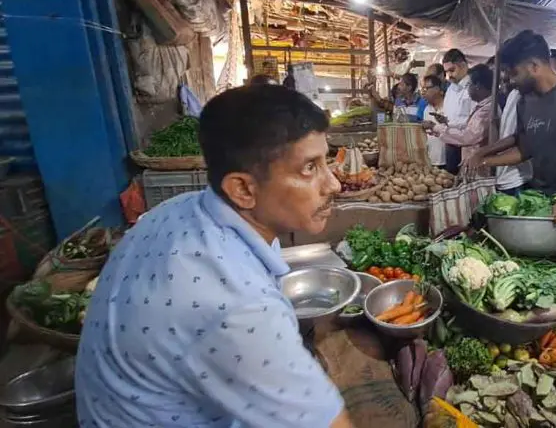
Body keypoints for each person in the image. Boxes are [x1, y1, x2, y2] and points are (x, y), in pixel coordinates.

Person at [75, 85, 354, 427]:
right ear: (243, 189)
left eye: (326, 160)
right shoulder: (236, 305)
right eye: (309, 168)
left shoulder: (176, 211)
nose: (334, 185)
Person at [464, 30, 556, 265]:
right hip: (543, 206)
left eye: (513, 73)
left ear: (533, 65)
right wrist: (483, 160)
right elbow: (524, 149)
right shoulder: (525, 100)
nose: (509, 80)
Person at [424, 64, 494, 175]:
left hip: (481, 168)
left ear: (478, 86)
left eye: (469, 85)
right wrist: (440, 126)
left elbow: (468, 136)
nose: (468, 89)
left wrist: (435, 127)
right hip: (471, 164)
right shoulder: (481, 107)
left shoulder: (488, 110)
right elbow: (465, 127)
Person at [495, 70, 532, 196]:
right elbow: (510, 135)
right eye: (502, 81)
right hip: (504, 173)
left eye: (508, 79)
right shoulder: (512, 96)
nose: (504, 84)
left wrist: (485, 159)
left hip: (518, 177)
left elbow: (520, 140)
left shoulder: (529, 98)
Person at [441, 49, 476, 174]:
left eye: (452, 70)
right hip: (451, 142)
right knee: (451, 179)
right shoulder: (450, 89)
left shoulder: (474, 88)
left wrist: (451, 126)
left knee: (466, 180)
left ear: (463, 66)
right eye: (446, 72)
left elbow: (475, 120)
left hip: (467, 145)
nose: (449, 75)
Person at [420, 74, 448, 168]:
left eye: (426, 89)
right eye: (422, 89)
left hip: (448, 160)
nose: (423, 92)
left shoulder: (449, 107)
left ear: (437, 89)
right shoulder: (427, 109)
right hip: (431, 160)